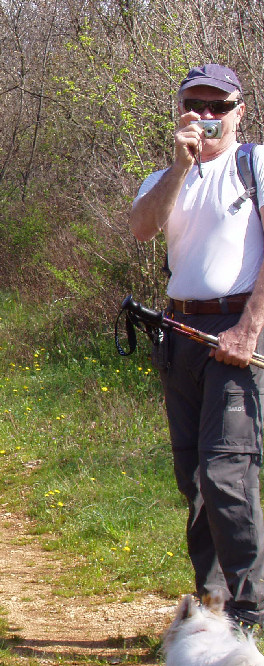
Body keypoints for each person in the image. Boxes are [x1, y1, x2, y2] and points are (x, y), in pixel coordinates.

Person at [129, 63, 264, 633]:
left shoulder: (254, 165)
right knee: (195, 478)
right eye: (195, 105)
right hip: (179, 336)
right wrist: (180, 167)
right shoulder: (166, 176)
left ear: (239, 111)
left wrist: (249, 330)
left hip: (235, 332)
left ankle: (251, 610)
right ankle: (212, 611)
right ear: (181, 109)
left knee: (226, 473)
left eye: (218, 106)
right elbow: (140, 228)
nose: (206, 117)